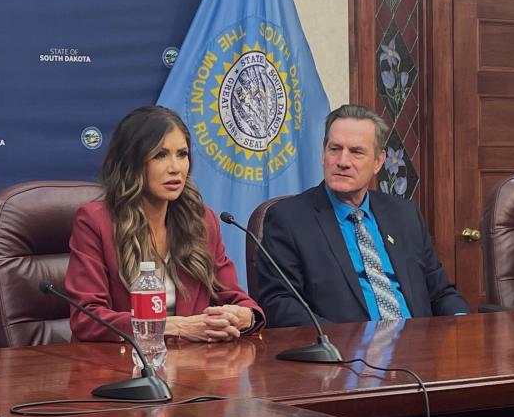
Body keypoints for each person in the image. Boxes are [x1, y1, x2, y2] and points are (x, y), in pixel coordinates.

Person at [254, 104, 468, 327]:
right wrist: (339, 341)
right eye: (334, 149)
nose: (343, 162)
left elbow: (441, 293)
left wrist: (464, 328)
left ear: (378, 162)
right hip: (344, 353)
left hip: (420, 348)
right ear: (323, 153)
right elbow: (279, 303)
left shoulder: (404, 215)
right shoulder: (289, 219)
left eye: (356, 152)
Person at [64, 105, 264, 343]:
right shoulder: (96, 222)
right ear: (132, 162)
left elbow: (234, 296)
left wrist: (245, 317)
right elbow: (87, 318)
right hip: (122, 367)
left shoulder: (201, 221)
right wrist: (174, 327)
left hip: (193, 367)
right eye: (160, 155)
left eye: (182, 154)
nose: (175, 168)